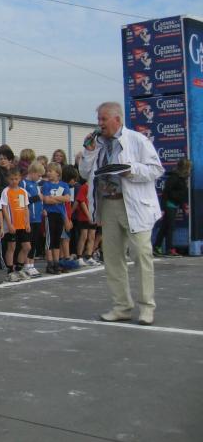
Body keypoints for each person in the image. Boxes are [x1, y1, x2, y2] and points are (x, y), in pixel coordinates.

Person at [79, 101, 163, 326]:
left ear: (117, 119)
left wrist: (130, 170)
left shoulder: (137, 140)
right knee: (113, 258)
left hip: (133, 204)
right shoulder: (97, 144)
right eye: (98, 119)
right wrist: (88, 152)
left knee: (141, 254)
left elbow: (156, 169)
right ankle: (122, 306)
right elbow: (84, 173)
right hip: (108, 204)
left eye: (103, 119)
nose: (100, 124)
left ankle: (147, 307)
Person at [154, 158, 191, 256]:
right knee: (170, 227)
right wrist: (163, 208)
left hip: (173, 205)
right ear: (185, 168)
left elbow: (181, 195)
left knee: (165, 227)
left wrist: (184, 206)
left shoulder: (182, 178)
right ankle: (169, 249)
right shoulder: (174, 178)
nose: (189, 170)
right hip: (169, 204)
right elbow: (166, 192)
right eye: (189, 168)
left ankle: (157, 247)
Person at [0, 167, 32, 282]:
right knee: (11, 247)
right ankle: (10, 271)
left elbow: (25, 208)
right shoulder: (6, 191)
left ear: (20, 179)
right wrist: (9, 224)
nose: (14, 181)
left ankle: (19, 268)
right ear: (8, 179)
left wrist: (27, 223)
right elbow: (4, 209)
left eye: (16, 179)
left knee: (27, 247)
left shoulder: (23, 192)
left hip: (22, 225)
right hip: (12, 225)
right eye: (12, 179)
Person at [41, 163, 72, 275]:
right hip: (50, 214)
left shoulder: (64, 185)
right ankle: (49, 263)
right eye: (47, 171)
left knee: (57, 239)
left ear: (58, 173)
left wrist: (54, 198)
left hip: (60, 214)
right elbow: (46, 200)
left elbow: (67, 198)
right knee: (49, 239)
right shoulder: (46, 185)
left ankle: (56, 262)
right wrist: (60, 199)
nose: (48, 173)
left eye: (51, 171)